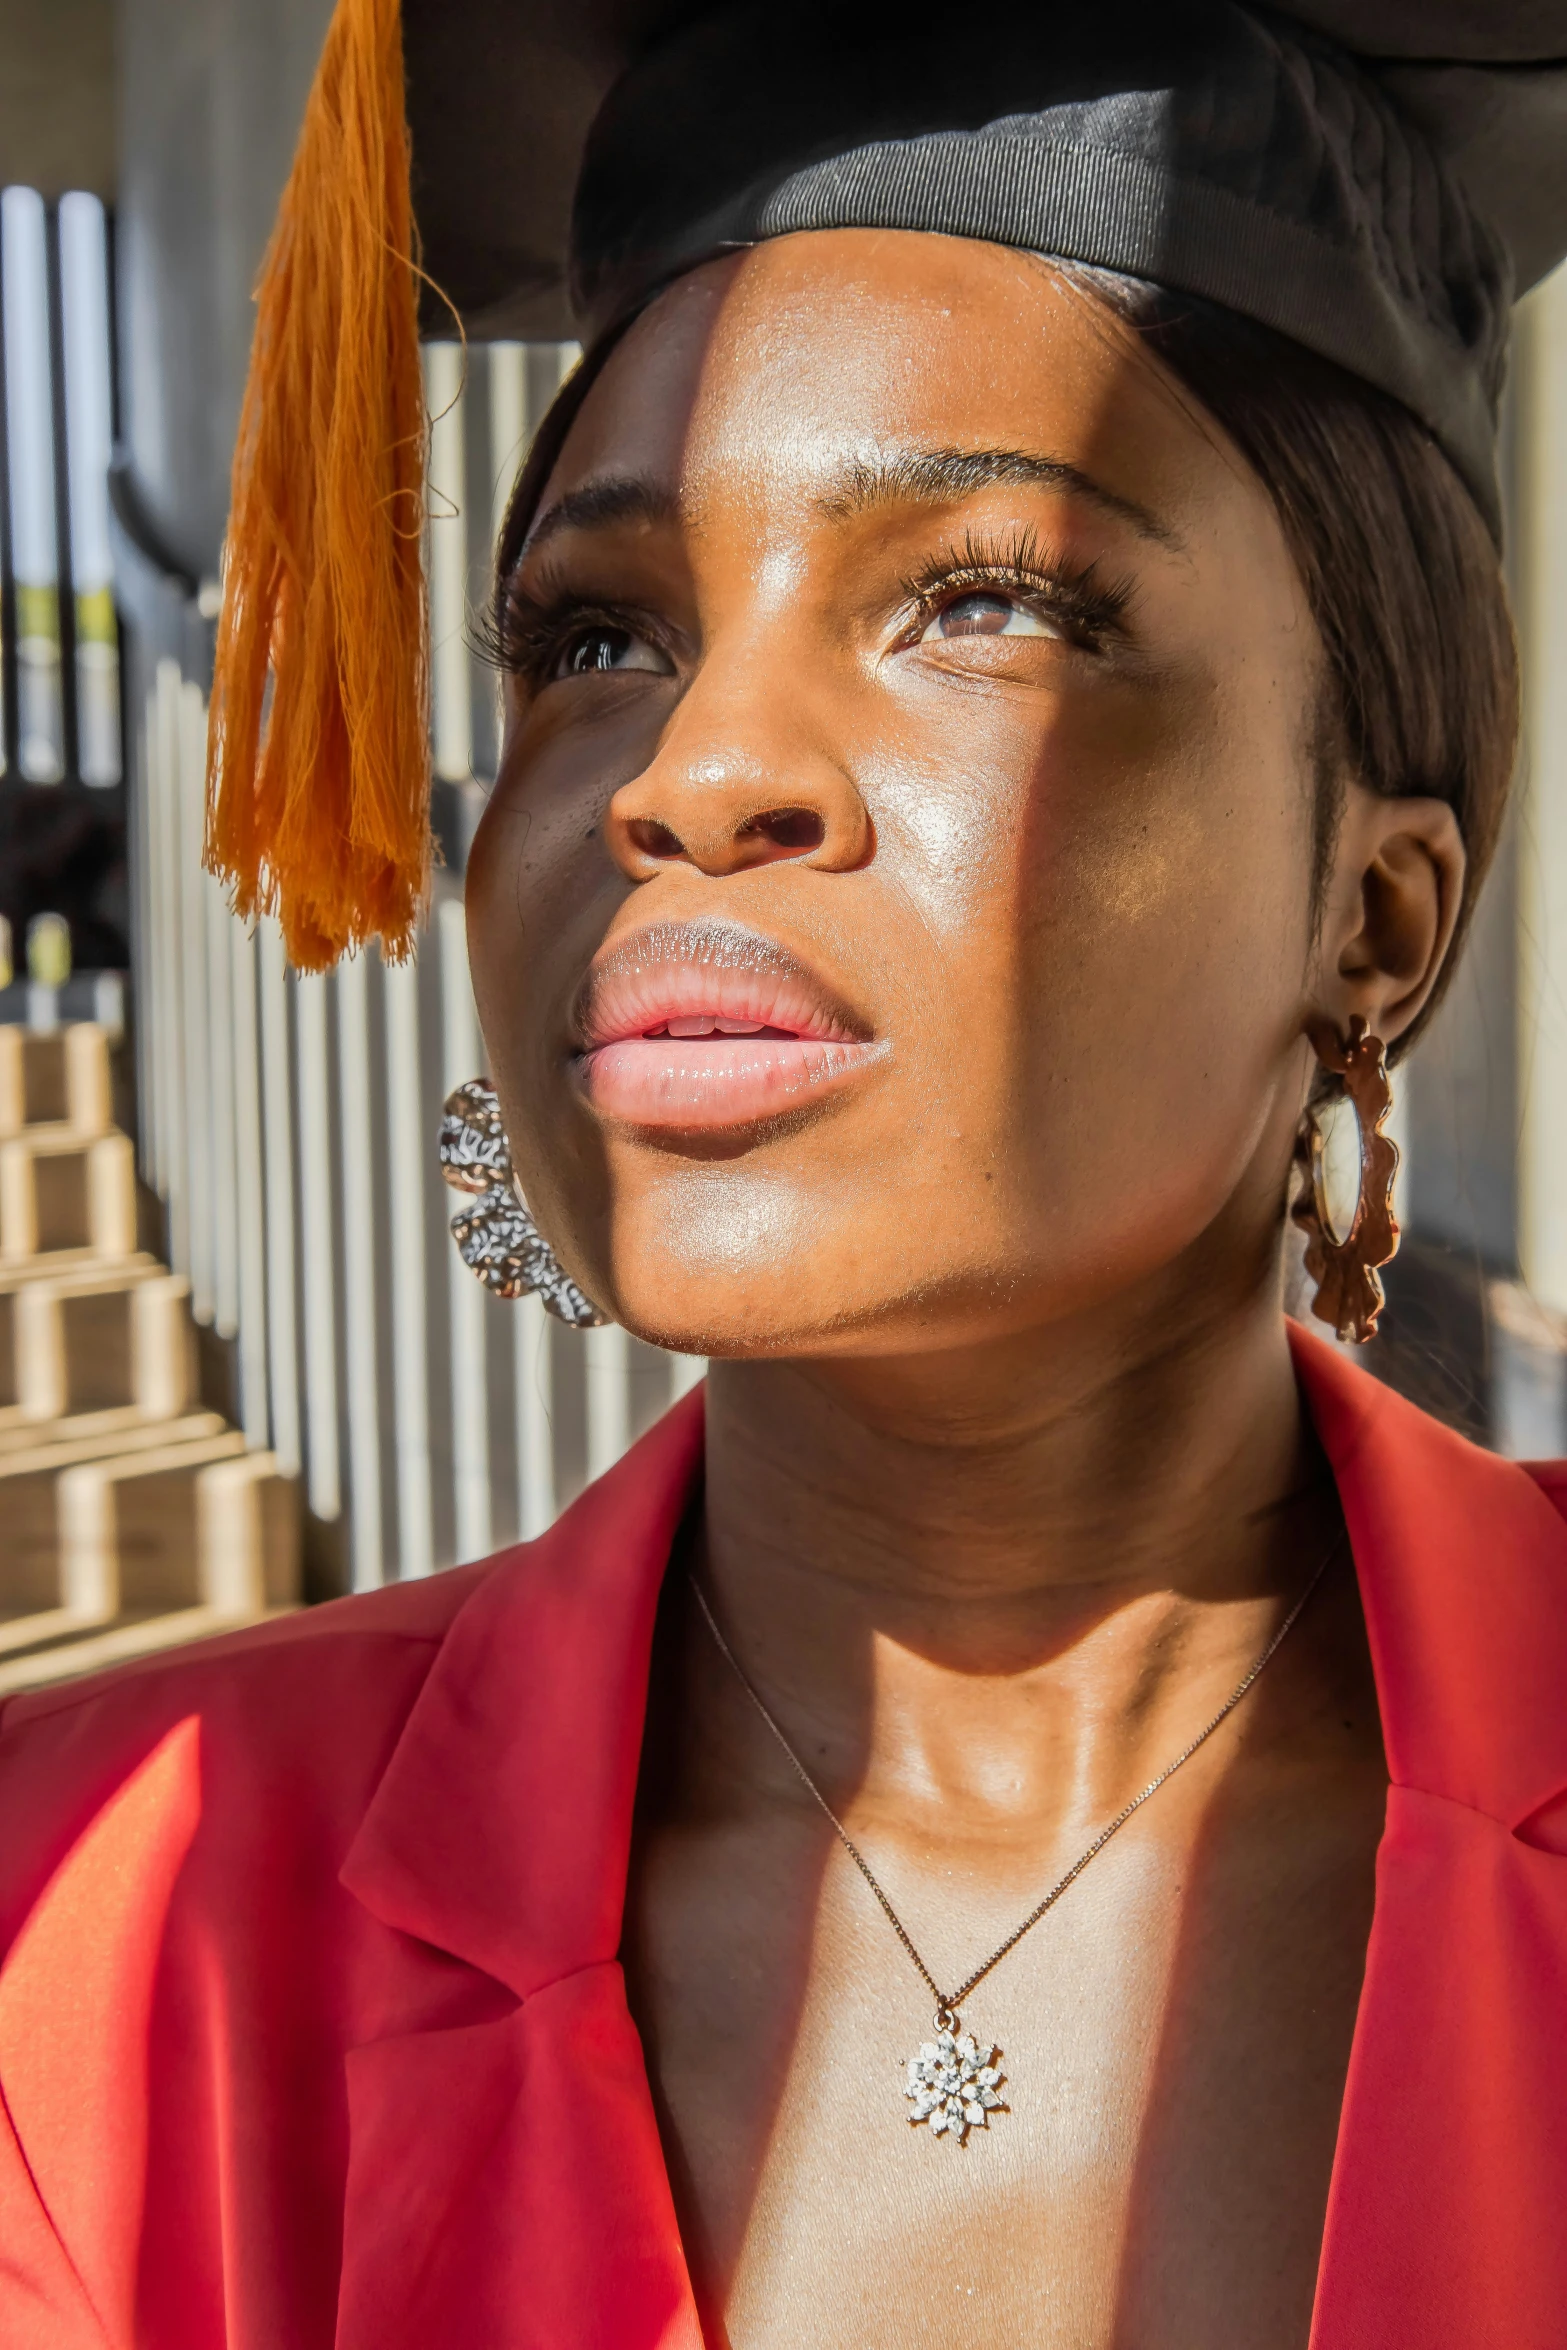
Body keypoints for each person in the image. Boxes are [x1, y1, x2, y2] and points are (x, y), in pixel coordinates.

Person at [3, 3, 1567, 2344]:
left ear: (1379, 909)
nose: (694, 770)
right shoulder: (92, 1918)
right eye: (592, 634)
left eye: (984, 599)